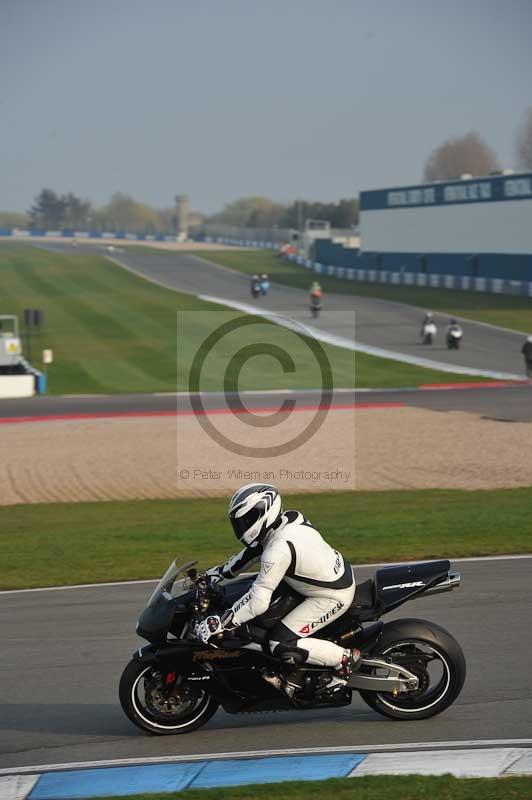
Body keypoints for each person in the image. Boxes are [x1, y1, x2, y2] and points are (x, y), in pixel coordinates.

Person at [197, 484, 360, 686]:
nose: (241, 527)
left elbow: (258, 601)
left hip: (332, 595)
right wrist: (217, 573)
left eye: (246, 520)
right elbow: (252, 552)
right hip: (329, 576)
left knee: (280, 642)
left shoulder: (278, 550)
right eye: (238, 523)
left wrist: (223, 623)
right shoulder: (289, 519)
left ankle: (343, 659)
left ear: (263, 514)